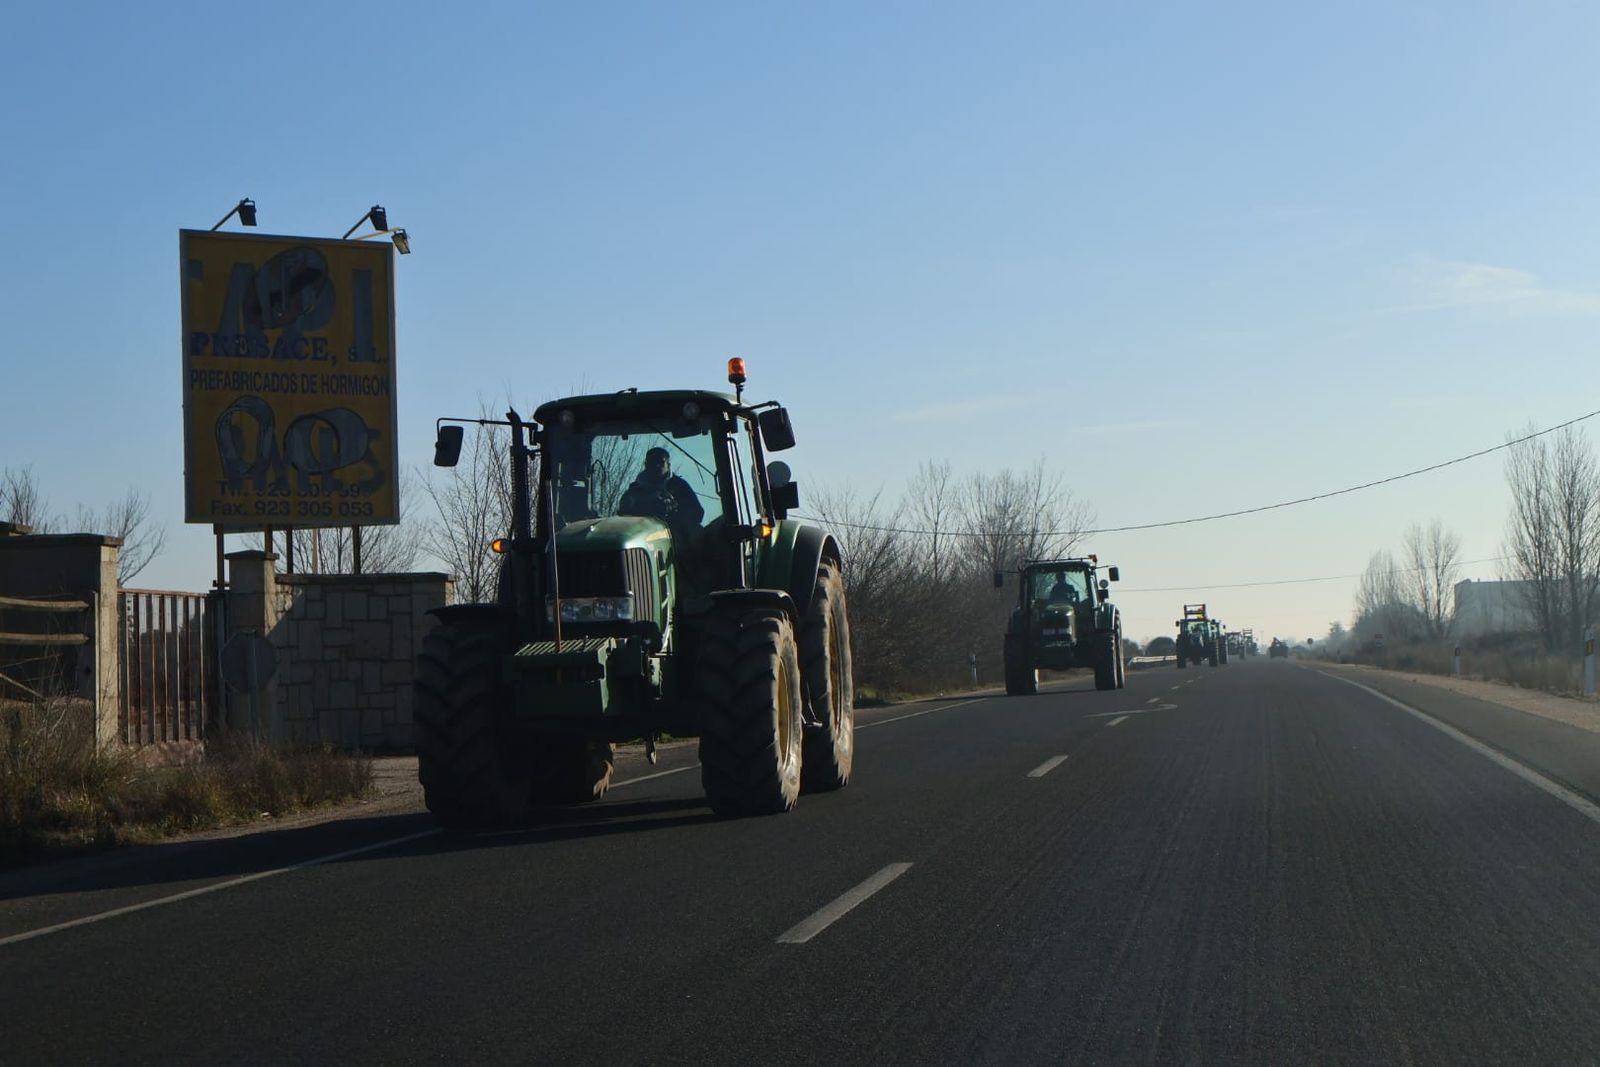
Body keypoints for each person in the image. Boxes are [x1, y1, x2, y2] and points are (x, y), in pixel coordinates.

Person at [618, 447, 704, 527]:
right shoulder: (635, 489)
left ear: (669, 465)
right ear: (646, 465)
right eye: (652, 462)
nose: (656, 465)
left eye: (661, 462)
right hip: (641, 535)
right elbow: (623, 515)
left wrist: (672, 515)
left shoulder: (679, 486)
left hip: (673, 537)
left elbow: (697, 513)